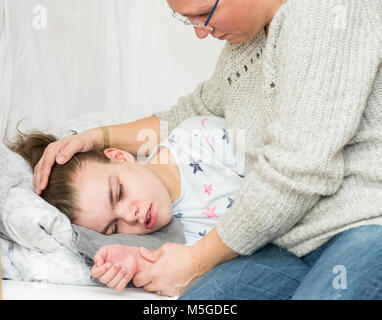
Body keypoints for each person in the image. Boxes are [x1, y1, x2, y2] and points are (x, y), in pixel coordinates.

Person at [33, 0, 382, 299]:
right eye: (188, 20)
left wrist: (198, 260)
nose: (201, 32)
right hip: (290, 243)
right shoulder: (243, 49)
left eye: (204, 13)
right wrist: (95, 138)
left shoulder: (325, 14)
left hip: (364, 224)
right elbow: (190, 113)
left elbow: (297, 172)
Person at [9, 115, 246, 292]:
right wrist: (137, 262)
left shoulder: (198, 140)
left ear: (120, 156)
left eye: (119, 192)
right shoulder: (163, 242)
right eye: (114, 227)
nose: (130, 216)